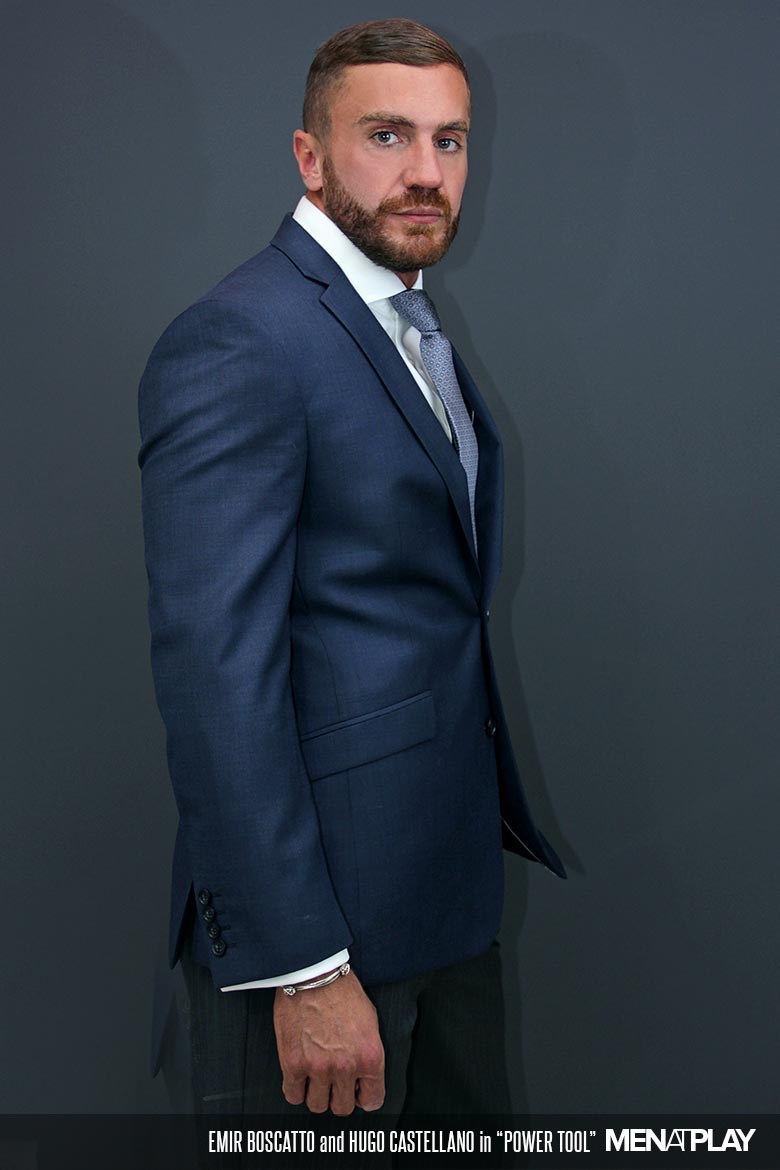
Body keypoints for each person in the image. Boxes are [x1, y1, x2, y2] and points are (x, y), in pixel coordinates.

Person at [138, 17, 565, 1120]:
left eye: (449, 140)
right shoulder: (242, 340)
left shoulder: (406, 321)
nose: (426, 172)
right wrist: (304, 968)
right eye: (386, 135)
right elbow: (215, 677)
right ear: (309, 156)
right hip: (320, 945)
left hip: (444, 909)